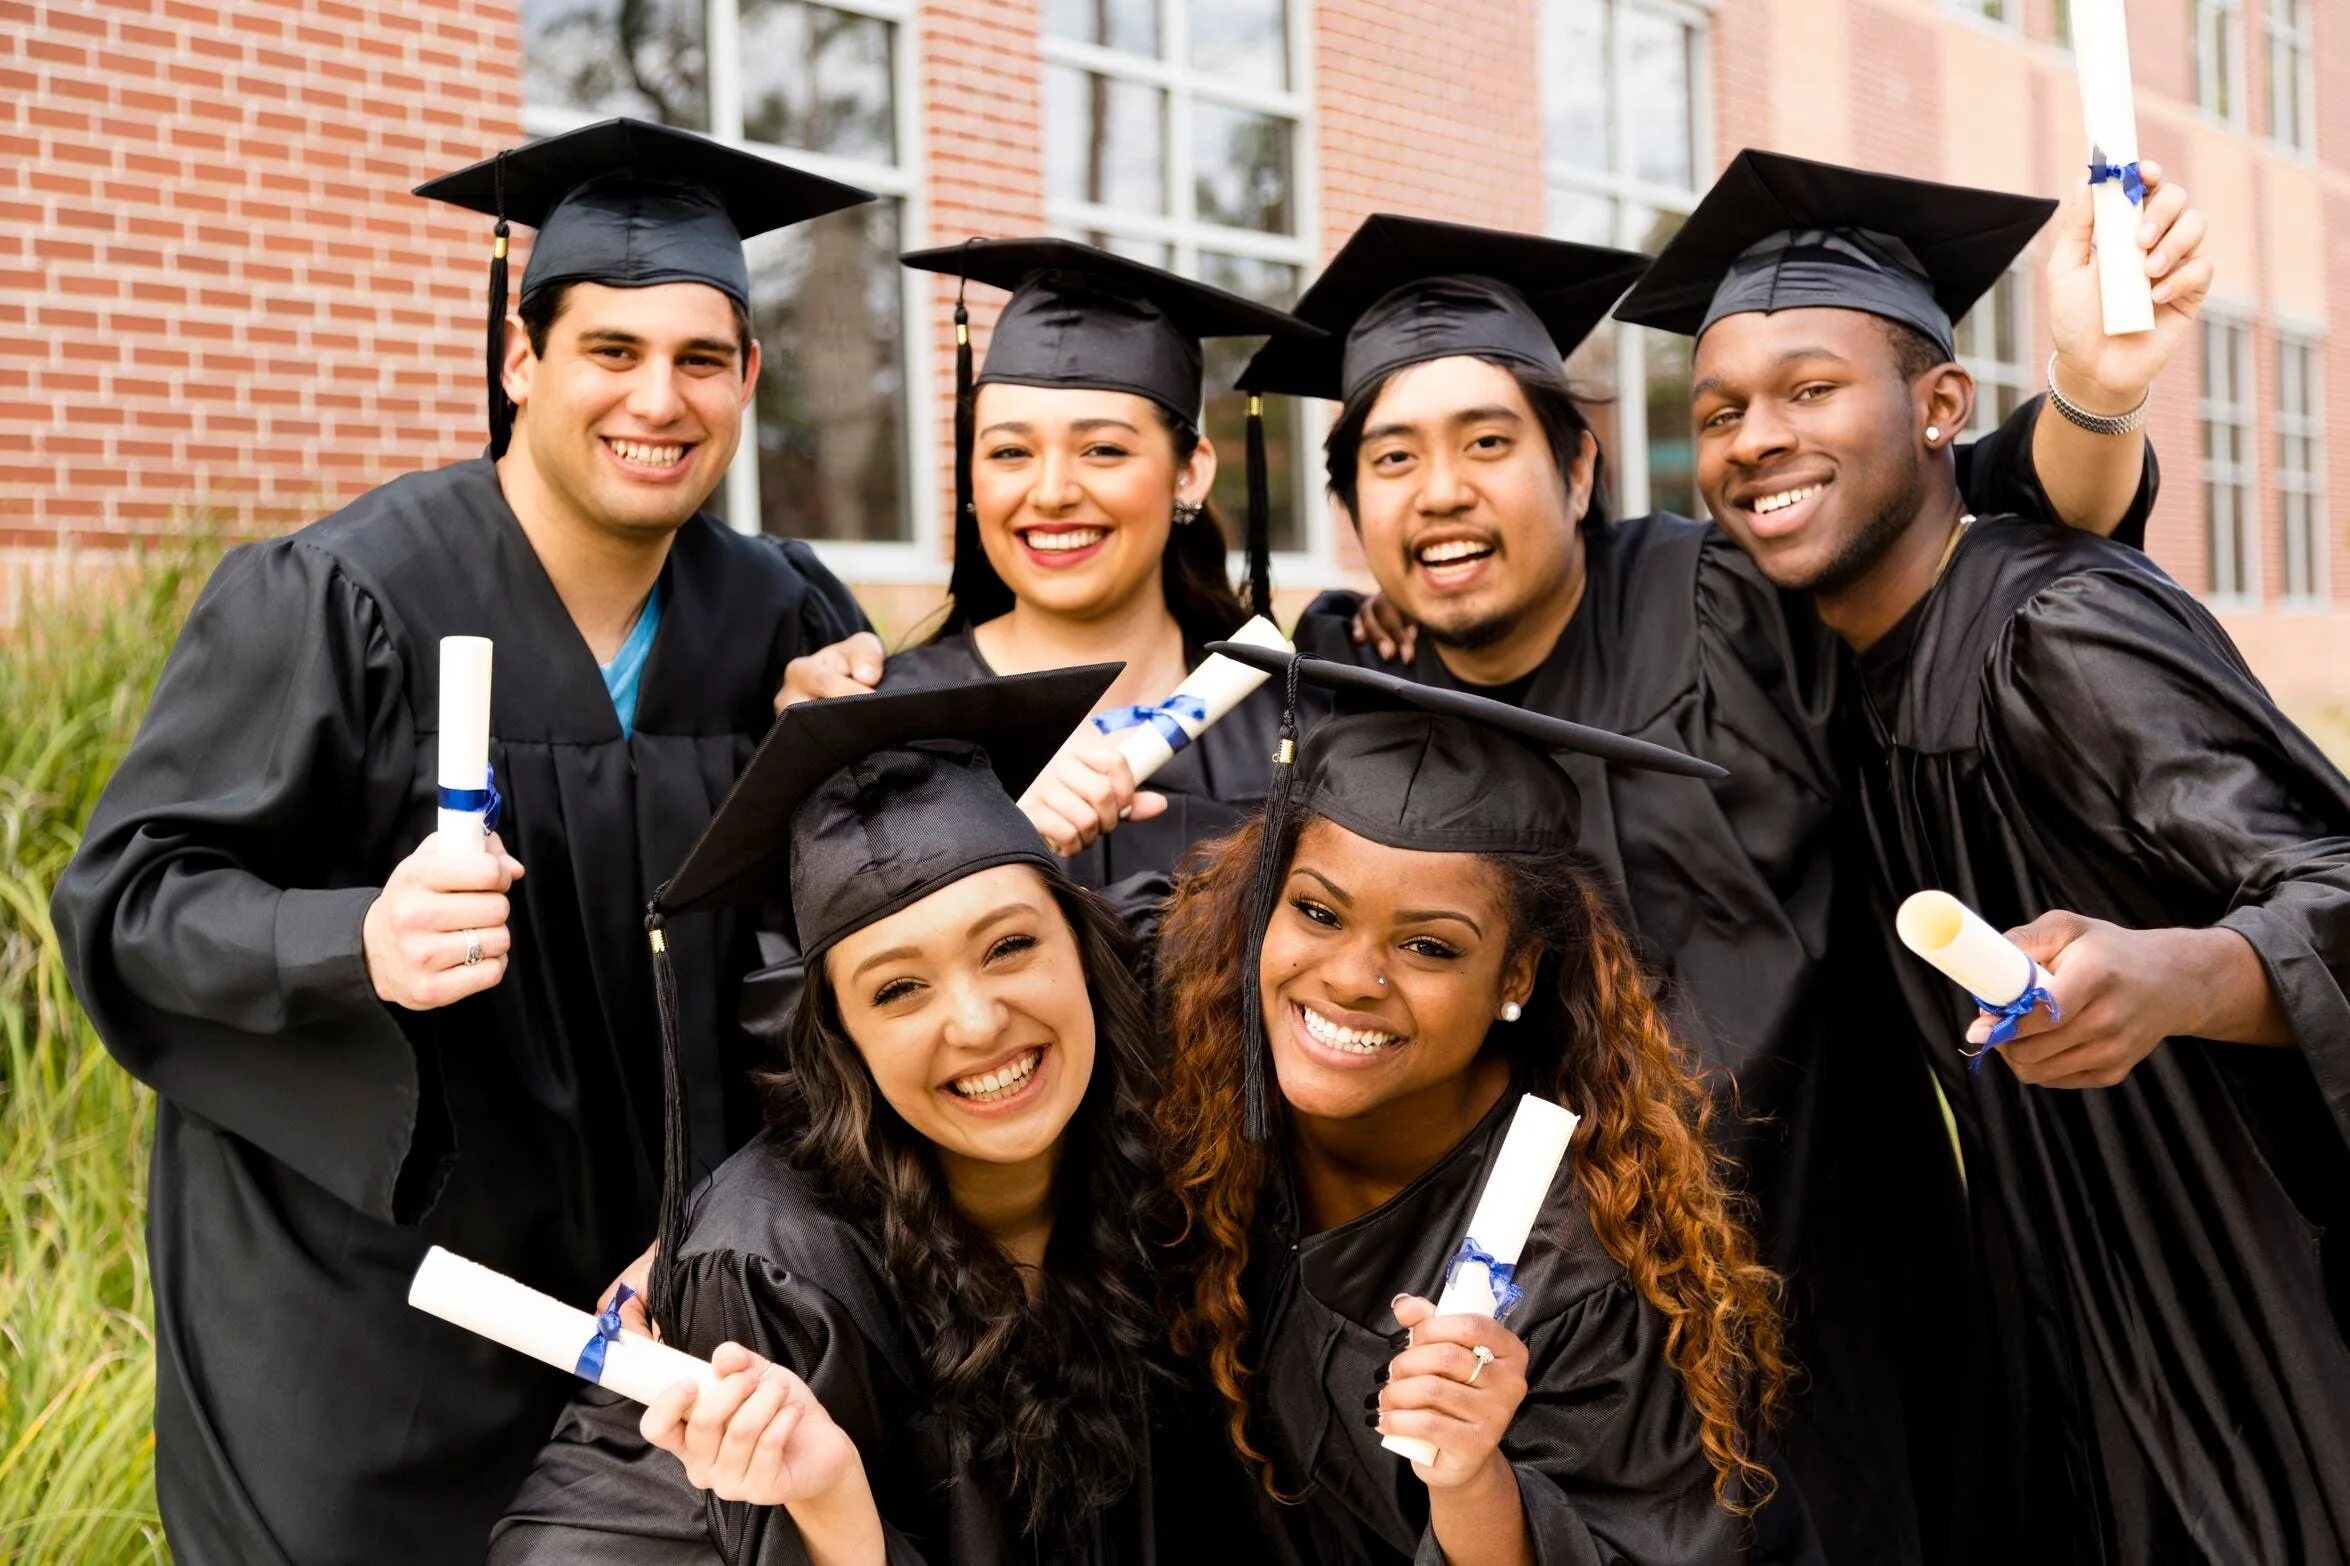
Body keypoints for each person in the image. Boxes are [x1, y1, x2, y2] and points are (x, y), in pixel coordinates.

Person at [1236, 194, 2197, 1562]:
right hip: (1578, 1324)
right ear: (1352, 511)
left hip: (1833, 1247)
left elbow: (1972, 520)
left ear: (1577, 471)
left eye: (1487, 442)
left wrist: (2094, 402)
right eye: (1392, 457)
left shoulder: (1724, 598)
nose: (1439, 488)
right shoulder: (1372, 718)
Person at [49, 119, 879, 1565]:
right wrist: (353, 935)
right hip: (371, 1327)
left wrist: (835, 758)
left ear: (748, 378)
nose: (657, 399)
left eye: (699, 359)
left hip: (655, 1322)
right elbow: (128, 899)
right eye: (609, 351)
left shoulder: (780, 619)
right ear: (521, 360)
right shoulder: (342, 598)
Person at [1617, 148, 2348, 1565]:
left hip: (2245, 1287)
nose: (1752, 437)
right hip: (2069, 1304)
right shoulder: (1838, 667)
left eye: (1808, 389)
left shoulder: (2051, 631)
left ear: (1941, 404)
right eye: (1717, 412)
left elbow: (2328, 879)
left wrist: (2180, 974)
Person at [491, 669, 1195, 1564]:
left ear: (1091, 953)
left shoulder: (1162, 1131)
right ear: (841, 1045)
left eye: (1011, 945)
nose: (978, 1024)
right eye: (899, 989)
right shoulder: (778, 1278)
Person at [1153, 644, 1796, 1565]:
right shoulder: (1195, 1072)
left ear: (1517, 975)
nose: (1350, 979)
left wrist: (1473, 1477)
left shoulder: (1580, 1274)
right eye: (1319, 914)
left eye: (1429, 947)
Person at [787, 239, 1322, 885]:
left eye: (1101, 450)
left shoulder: (1299, 728)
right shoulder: (892, 723)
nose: (1050, 493)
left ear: (1190, 472)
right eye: (1010, 453)